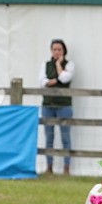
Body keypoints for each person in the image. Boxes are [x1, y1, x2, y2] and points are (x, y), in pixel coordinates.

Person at [38, 39, 75, 175]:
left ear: (64, 51)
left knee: (65, 137)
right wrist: (55, 80)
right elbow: (42, 81)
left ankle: (67, 167)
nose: (57, 52)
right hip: (48, 104)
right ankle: (49, 166)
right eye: (54, 49)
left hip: (63, 105)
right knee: (49, 136)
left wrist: (59, 66)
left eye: (59, 49)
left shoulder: (69, 64)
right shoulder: (45, 65)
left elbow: (65, 78)